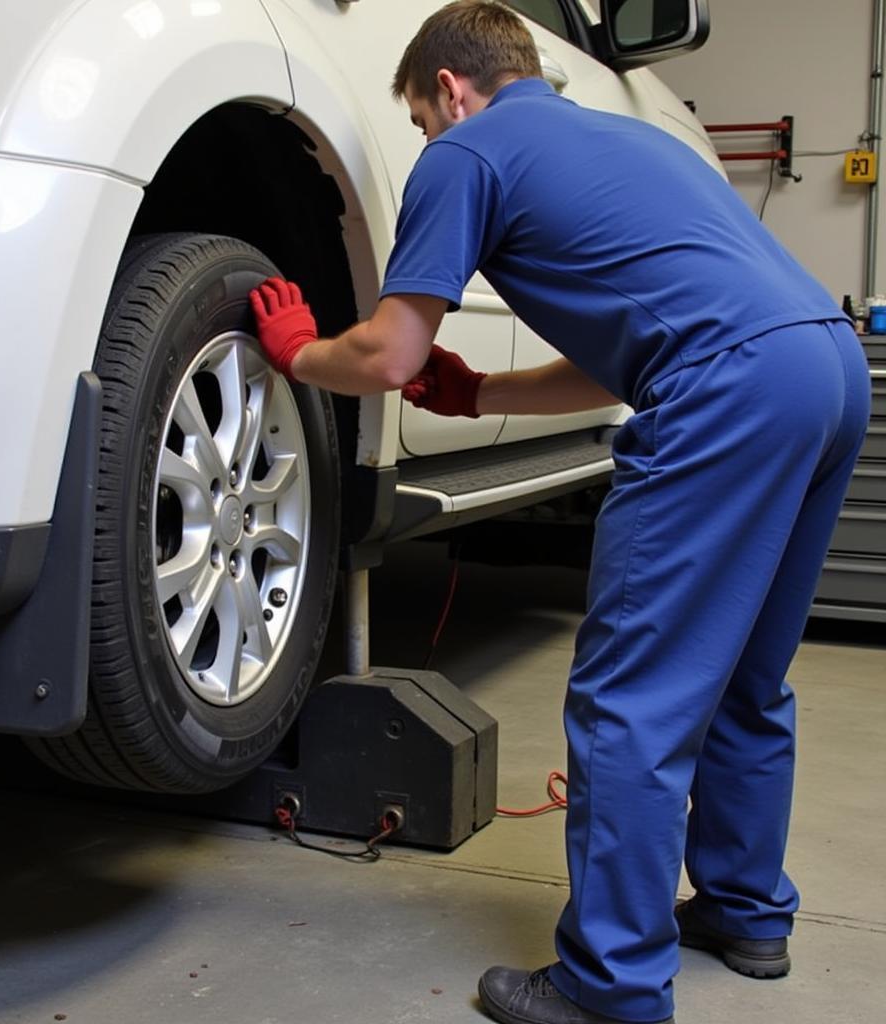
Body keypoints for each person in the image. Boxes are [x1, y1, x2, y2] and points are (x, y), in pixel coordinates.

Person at [249, 3, 871, 1022]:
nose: (425, 142)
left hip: (727, 387)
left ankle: (610, 984)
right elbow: (627, 346)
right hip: (825, 366)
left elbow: (388, 355)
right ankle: (747, 909)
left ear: (448, 89)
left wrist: (298, 352)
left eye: (418, 120)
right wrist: (480, 395)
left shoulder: (468, 152)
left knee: (629, 697)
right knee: (746, 678)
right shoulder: (622, 141)